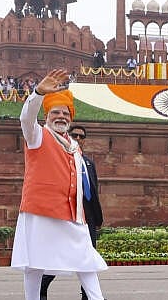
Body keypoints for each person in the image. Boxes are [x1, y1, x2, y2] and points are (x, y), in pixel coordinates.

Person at [11, 69, 107, 300]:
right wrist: (37, 94)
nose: (61, 116)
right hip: (40, 211)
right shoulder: (37, 136)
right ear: (47, 116)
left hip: (72, 215)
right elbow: (26, 118)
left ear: (71, 118)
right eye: (55, 112)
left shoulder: (74, 146)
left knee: (86, 260)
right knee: (34, 264)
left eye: (65, 113)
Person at [40, 124, 104, 300]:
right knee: (60, 254)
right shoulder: (62, 160)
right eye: (74, 135)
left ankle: (88, 296)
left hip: (87, 217)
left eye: (82, 136)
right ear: (68, 136)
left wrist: (97, 219)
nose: (78, 139)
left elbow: (93, 190)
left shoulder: (89, 163)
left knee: (88, 257)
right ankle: (42, 285)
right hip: (68, 214)